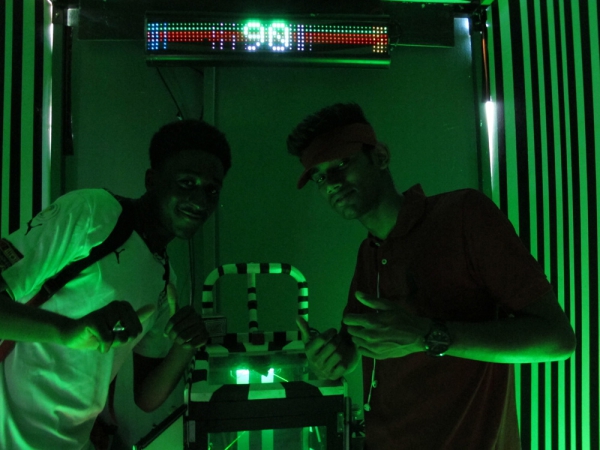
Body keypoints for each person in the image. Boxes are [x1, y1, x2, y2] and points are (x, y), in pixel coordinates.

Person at [288, 103, 576, 449]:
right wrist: (334, 358)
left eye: (341, 165)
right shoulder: (369, 251)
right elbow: (359, 344)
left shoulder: (463, 216)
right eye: (320, 176)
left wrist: (427, 335)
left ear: (380, 156)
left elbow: (557, 340)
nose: (332, 183)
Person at [0, 119, 231, 449]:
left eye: (212, 190)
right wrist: (68, 330)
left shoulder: (165, 278)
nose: (200, 200)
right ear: (152, 180)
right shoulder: (93, 213)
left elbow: (147, 397)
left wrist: (185, 346)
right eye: (186, 183)